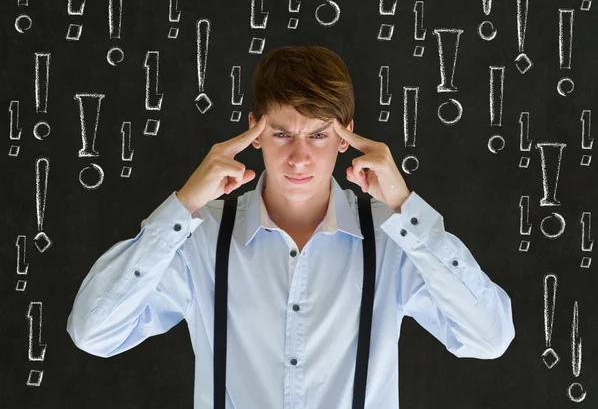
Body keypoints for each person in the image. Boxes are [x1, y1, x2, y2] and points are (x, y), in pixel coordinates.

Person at [66, 45, 515, 409]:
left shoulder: (393, 239)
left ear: (346, 137)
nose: (299, 157)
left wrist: (405, 206)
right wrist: (183, 204)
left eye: (318, 134)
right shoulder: (199, 237)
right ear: (254, 133)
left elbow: (488, 337)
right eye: (282, 133)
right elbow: (94, 333)